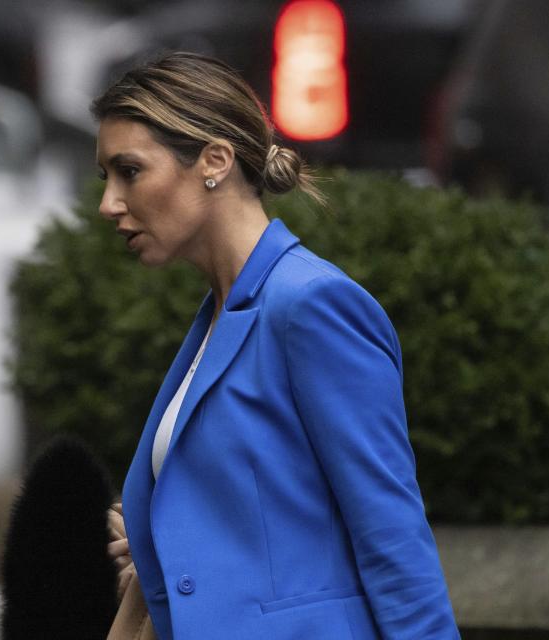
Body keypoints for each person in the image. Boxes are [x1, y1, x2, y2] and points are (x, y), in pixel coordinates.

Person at [94, 51, 459, 639]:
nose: (109, 203)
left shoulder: (312, 306)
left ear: (214, 160)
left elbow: (393, 538)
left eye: (129, 171)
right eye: (106, 178)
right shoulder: (221, 313)